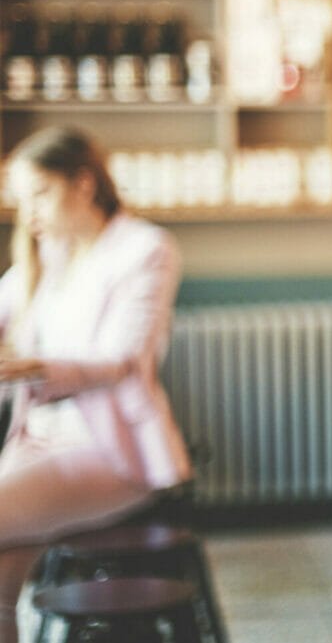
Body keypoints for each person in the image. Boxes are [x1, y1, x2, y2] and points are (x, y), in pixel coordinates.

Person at [0, 126, 190, 642]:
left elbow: (121, 360)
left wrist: (27, 367)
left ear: (83, 184)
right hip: (37, 443)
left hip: (110, 451)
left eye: (40, 193)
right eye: (22, 198)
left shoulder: (146, 248)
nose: (30, 211)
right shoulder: (48, 254)